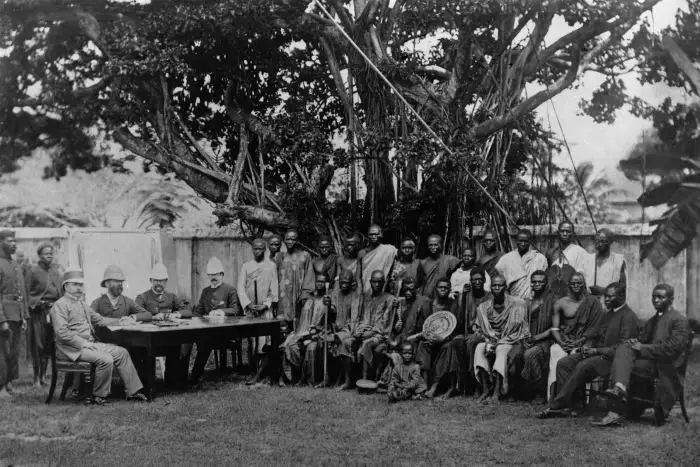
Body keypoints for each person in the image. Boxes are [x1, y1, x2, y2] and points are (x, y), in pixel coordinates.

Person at [593, 284, 690, 427]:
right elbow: (642, 338)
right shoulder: (654, 319)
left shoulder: (679, 320)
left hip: (666, 367)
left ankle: (617, 397)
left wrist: (642, 347)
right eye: (654, 296)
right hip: (650, 362)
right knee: (624, 346)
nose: (655, 300)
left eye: (660, 297)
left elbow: (671, 349)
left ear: (671, 299)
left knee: (622, 361)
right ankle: (619, 389)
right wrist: (635, 342)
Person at [538, 282, 639, 418]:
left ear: (621, 296)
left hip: (611, 360)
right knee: (564, 363)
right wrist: (584, 344)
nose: (606, 300)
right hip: (595, 353)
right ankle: (572, 405)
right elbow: (596, 333)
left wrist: (596, 351)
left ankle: (557, 406)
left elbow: (623, 349)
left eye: (610, 297)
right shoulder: (609, 314)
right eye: (606, 297)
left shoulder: (628, 317)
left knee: (582, 366)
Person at [49, 268, 148, 404]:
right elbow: (61, 333)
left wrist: (121, 321)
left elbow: (100, 320)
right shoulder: (59, 305)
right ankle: (99, 396)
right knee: (105, 358)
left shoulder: (82, 303)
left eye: (80, 285)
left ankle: (133, 392)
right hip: (70, 350)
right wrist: (84, 344)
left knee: (122, 352)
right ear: (66, 286)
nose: (79, 288)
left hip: (88, 345)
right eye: (75, 284)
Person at [473, 275, 529, 403]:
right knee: (479, 347)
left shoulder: (518, 304)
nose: (497, 287)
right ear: (491, 287)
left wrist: (500, 342)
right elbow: (479, 328)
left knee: (501, 350)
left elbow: (521, 329)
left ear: (505, 287)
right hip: (491, 339)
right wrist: (487, 340)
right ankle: (486, 390)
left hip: (510, 340)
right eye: (494, 285)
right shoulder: (484, 307)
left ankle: (497, 392)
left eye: (500, 285)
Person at [547, 272, 603, 400]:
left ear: (584, 285)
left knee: (574, 355)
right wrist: (562, 343)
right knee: (555, 352)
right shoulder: (560, 303)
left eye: (579, 283)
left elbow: (596, 328)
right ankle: (554, 395)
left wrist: (579, 342)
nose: (576, 285)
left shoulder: (592, 302)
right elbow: (555, 329)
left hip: (586, 341)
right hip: (565, 339)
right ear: (569, 285)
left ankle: (574, 397)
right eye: (573, 283)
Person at [135, 263, 191, 387]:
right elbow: (135, 314)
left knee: (184, 344)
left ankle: (174, 382)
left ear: (166, 281)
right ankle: (148, 384)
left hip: (170, 340)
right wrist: (153, 317)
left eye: (162, 281)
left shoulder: (171, 297)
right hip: (150, 340)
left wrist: (177, 314)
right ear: (151, 280)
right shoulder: (142, 297)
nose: (159, 283)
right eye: (156, 280)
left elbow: (187, 311)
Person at [189, 257, 240, 385]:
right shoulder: (205, 291)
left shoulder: (230, 289)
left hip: (227, 331)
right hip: (209, 330)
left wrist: (221, 312)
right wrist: (192, 320)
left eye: (216, 274)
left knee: (206, 342)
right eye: (210, 275)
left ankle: (194, 376)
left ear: (222, 274)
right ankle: (187, 376)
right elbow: (198, 311)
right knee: (198, 340)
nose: (213, 277)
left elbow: (236, 310)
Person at [280, 273, 332, 385]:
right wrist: (302, 333)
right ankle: (292, 377)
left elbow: (331, 317)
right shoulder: (310, 298)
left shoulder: (328, 299)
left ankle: (309, 379)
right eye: (318, 281)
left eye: (322, 282)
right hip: (304, 332)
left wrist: (329, 306)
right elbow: (303, 318)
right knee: (291, 346)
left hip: (321, 333)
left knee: (311, 348)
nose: (319, 284)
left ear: (327, 284)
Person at [513, 270, 558, 401]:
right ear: (531, 284)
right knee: (514, 354)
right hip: (528, 339)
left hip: (546, 340)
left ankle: (539, 390)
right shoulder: (527, 302)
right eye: (534, 282)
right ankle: (520, 391)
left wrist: (537, 338)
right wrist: (524, 339)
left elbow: (555, 327)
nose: (537, 284)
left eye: (540, 281)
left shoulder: (553, 300)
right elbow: (522, 324)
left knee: (530, 354)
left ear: (546, 283)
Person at [26, 243, 63, 388]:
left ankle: (43, 377)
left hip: (53, 311)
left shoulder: (56, 271)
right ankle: (35, 378)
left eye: (51, 253)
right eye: (46, 253)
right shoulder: (33, 271)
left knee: (48, 345)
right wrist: (36, 304)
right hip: (38, 312)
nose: (49, 255)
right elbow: (26, 292)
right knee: (38, 345)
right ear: (40, 255)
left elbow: (61, 290)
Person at [421, 277, 462, 399]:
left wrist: (444, 338)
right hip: (431, 338)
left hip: (447, 339)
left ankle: (436, 385)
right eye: (441, 287)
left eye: (446, 288)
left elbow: (456, 326)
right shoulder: (427, 305)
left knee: (448, 347)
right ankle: (423, 385)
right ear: (435, 289)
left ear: (450, 290)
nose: (443, 290)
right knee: (422, 346)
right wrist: (427, 337)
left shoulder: (453, 305)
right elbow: (423, 326)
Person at [0, 230, 28, 398]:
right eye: (10, 240)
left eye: (14, 241)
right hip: (4, 314)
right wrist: (1, 320)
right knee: (3, 351)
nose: (14, 244)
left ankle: (9, 383)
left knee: (14, 351)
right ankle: (1, 387)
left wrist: (24, 316)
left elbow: (22, 294)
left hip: (17, 315)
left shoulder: (16, 265)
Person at [237, 238, 278, 352]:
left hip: (265, 309)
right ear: (252, 250)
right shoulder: (246, 266)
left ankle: (263, 366)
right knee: (252, 341)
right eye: (255, 249)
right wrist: (248, 304)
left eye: (260, 249)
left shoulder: (271, 266)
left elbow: (274, 288)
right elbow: (240, 287)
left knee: (264, 341)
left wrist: (266, 305)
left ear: (265, 249)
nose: (258, 251)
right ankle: (252, 367)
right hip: (251, 309)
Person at [355, 270, 395, 381]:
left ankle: (365, 379)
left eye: (379, 282)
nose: (377, 284)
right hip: (366, 331)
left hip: (381, 335)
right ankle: (348, 379)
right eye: (374, 282)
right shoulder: (367, 298)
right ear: (370, 282)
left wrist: (372, 332)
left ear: (384, 282)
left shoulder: (389, 299)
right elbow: (362, 317)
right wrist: (361, 330)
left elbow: (386, 321)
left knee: (366, 344)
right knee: (350, 341)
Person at [329, 269, 363, 390]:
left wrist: (348, 332)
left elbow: (354, 318)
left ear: (351, 283)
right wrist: (328, 306)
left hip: (350, 329)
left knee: (342, 342)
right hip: (337, 328)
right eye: (341, 283)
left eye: (346, 283)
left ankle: (346, 380)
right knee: (328, 341)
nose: (343, 285)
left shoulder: (355, 296)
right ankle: (334, 378)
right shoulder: (335, 294)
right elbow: (332, 312)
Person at [461, 267, 493, 394]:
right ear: (470, 281)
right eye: (474, 280)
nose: (478, 282)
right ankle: (459, 385)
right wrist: (463, 298)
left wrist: (480, 331)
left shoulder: (490, 296)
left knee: (473, 343)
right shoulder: (467, 296)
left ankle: (477, 384)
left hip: (484, 333)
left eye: (480, 279)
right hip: (468, 333)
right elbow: (460, 319)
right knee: (455, 344)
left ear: (485, 280)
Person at [494, 229, 547, 300]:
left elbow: (543, 281)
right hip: (512, 301)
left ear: (530, 241)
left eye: (525, 241)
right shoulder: (506, 259)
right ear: (516, 241)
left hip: (533, 300)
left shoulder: (539, 258)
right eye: (520, 241)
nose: (522, 243)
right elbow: (499, 282)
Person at [277, 229, 314, 329]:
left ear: (297, 240)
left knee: (299, 323)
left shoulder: (305, 256)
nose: (290, 241)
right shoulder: (280, 256)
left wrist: (305, 294)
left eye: (293, 239)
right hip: (284, 296)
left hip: (299, 294)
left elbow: (309, 275)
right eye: (287, 239)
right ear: (284, 240)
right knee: (283, 324)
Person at [547, 221, 592, 285]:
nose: (565, 233)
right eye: (562, 231)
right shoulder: (550, 253)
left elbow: (587, 275)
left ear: (572, 233)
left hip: (575, 289)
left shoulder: (580, 252)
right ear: (558, 233)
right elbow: (549, 275)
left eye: (568, 231)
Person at [589, 229, 626, 302]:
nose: (599, 244)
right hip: (591, 304)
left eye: (603, 241)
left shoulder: (618, 261)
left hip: (610, 304)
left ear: (610, 242)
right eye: (597, 241)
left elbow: (622, 287)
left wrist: (604, 290)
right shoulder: (588, 259)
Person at [358, 225, 397, 294]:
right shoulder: (362, 253)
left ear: (381, 235)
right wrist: (360, 288)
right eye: (371, 234)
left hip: (381, 290)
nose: (373, 237)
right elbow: (358, 276)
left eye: (376, 234)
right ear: (367, 236)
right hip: (365, 290)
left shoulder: (389, 250)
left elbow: (402, 256)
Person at [419, 234, 460, 299]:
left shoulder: (450, 260)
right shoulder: (423, 263)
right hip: (427, 298)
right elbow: (421, 284)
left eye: (435, 244)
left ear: (441, 245)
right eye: (430, 245)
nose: (433, 247)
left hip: (444, 298)